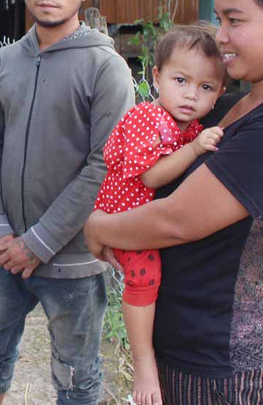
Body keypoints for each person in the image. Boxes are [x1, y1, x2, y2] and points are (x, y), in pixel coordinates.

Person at [85, 0, 263, 404]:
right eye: (219, 19)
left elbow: (175, 220)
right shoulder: (226, 107)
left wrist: (97, 226)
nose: (220, 37)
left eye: (234, 20)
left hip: (222, 366)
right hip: (181, 344)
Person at [0, 0, 135, 405]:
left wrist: (38, 243)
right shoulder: (6, 62)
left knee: (76, 377)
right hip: (4, 255)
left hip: (75, 261)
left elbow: (103, 165)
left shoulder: (106, 68)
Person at [94, 23, 226, 405]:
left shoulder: (188, 127)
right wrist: (196, 148)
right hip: (125, 217)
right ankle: (143, 362)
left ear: (219, 93)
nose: (190, 95)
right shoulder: (146, 119)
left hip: (143, 218)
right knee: (144, 276)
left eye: (206, 88)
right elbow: (152, 174)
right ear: (156, 76)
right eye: (181, 80)